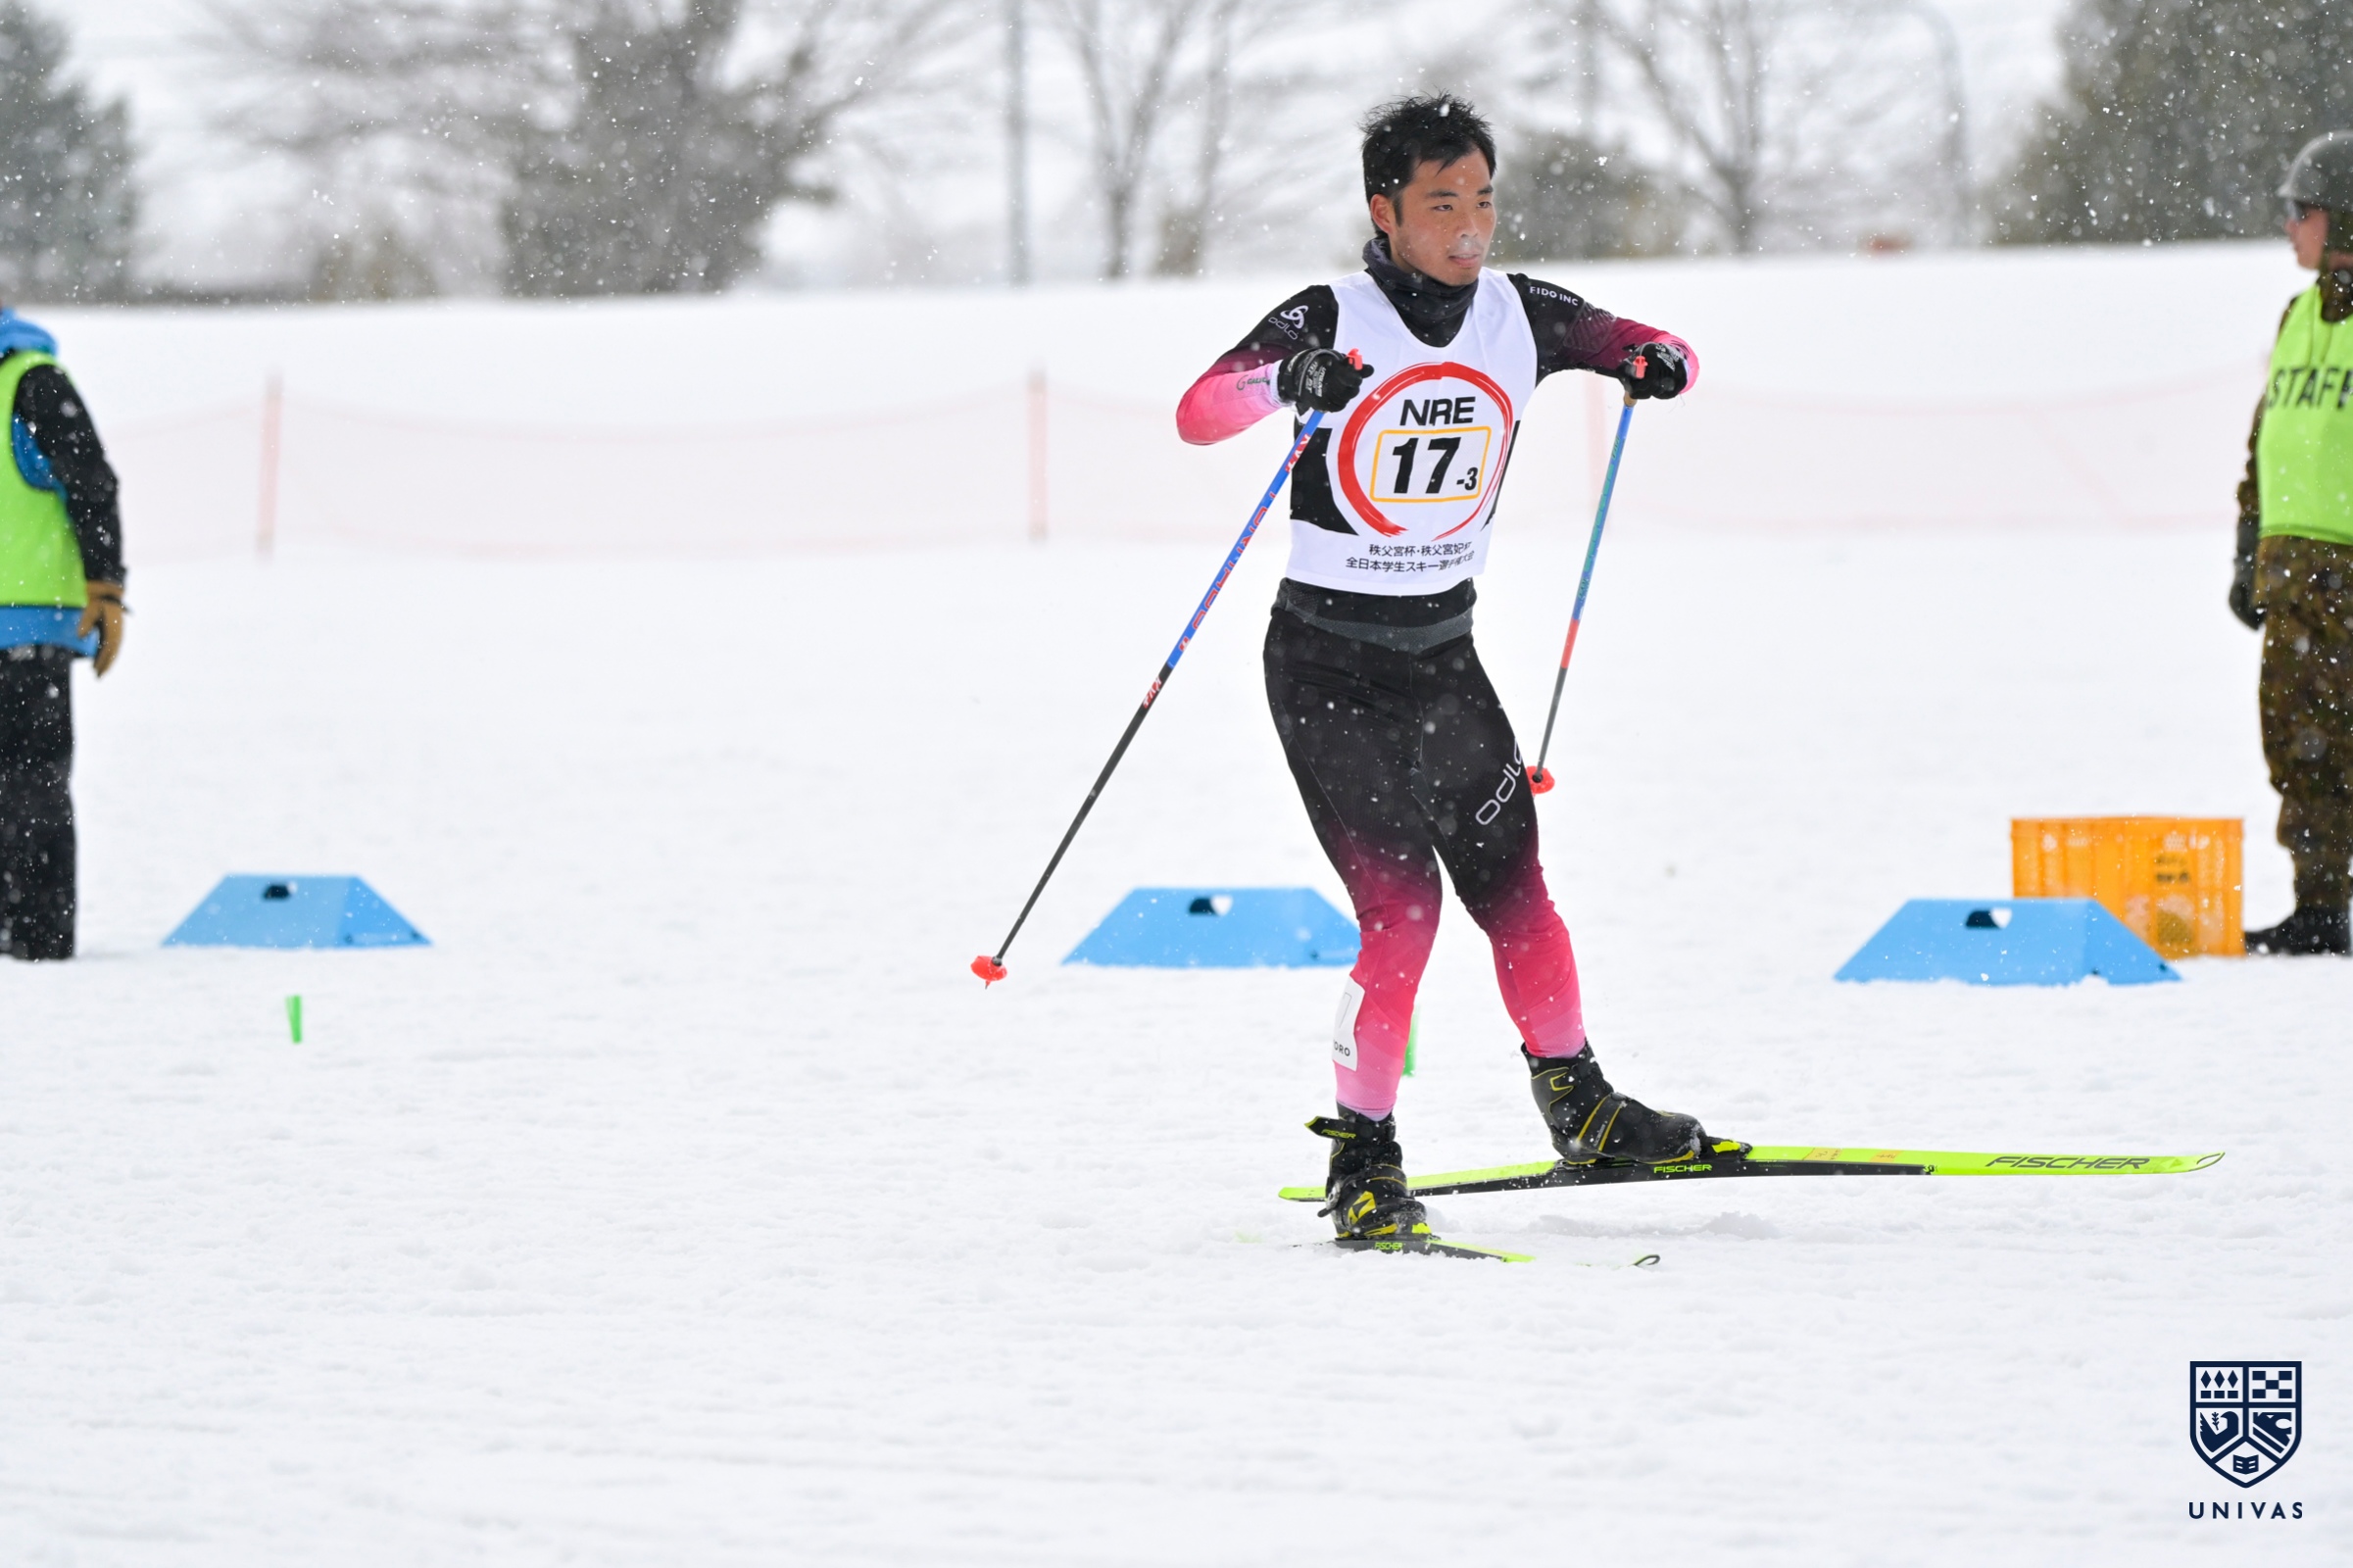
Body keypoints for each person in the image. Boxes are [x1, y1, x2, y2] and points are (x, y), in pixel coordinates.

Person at [1175, 95, 1726, 1245]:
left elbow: (1641, 343)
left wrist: (1655, 360)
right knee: (1403, 912)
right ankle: (1362, 1161)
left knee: (1516, 889)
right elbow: (1200, 412)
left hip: (1444, 655)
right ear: (1383, 211)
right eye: (1440, 204)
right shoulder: (1330, 314)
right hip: (1326, 664)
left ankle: (1582, 1108)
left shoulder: (1521, 313)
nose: (1469, 225)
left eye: (1481, 199)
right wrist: (1289, 380)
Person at [2231, 132, 2353, 957]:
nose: (2288, 227)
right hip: (2294, 573)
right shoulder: (2297, 316)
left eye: (2299, 211)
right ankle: (2318, 906)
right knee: (2299, 748)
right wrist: (2249, 544)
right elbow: (2267, 439)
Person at [0, 304, 125, 960]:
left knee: (29, 788)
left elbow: (91, 481)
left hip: (28, 622)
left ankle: (37, 940)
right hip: (27, 622)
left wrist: (105, 584)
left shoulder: (31, 380)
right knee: (28, 785)